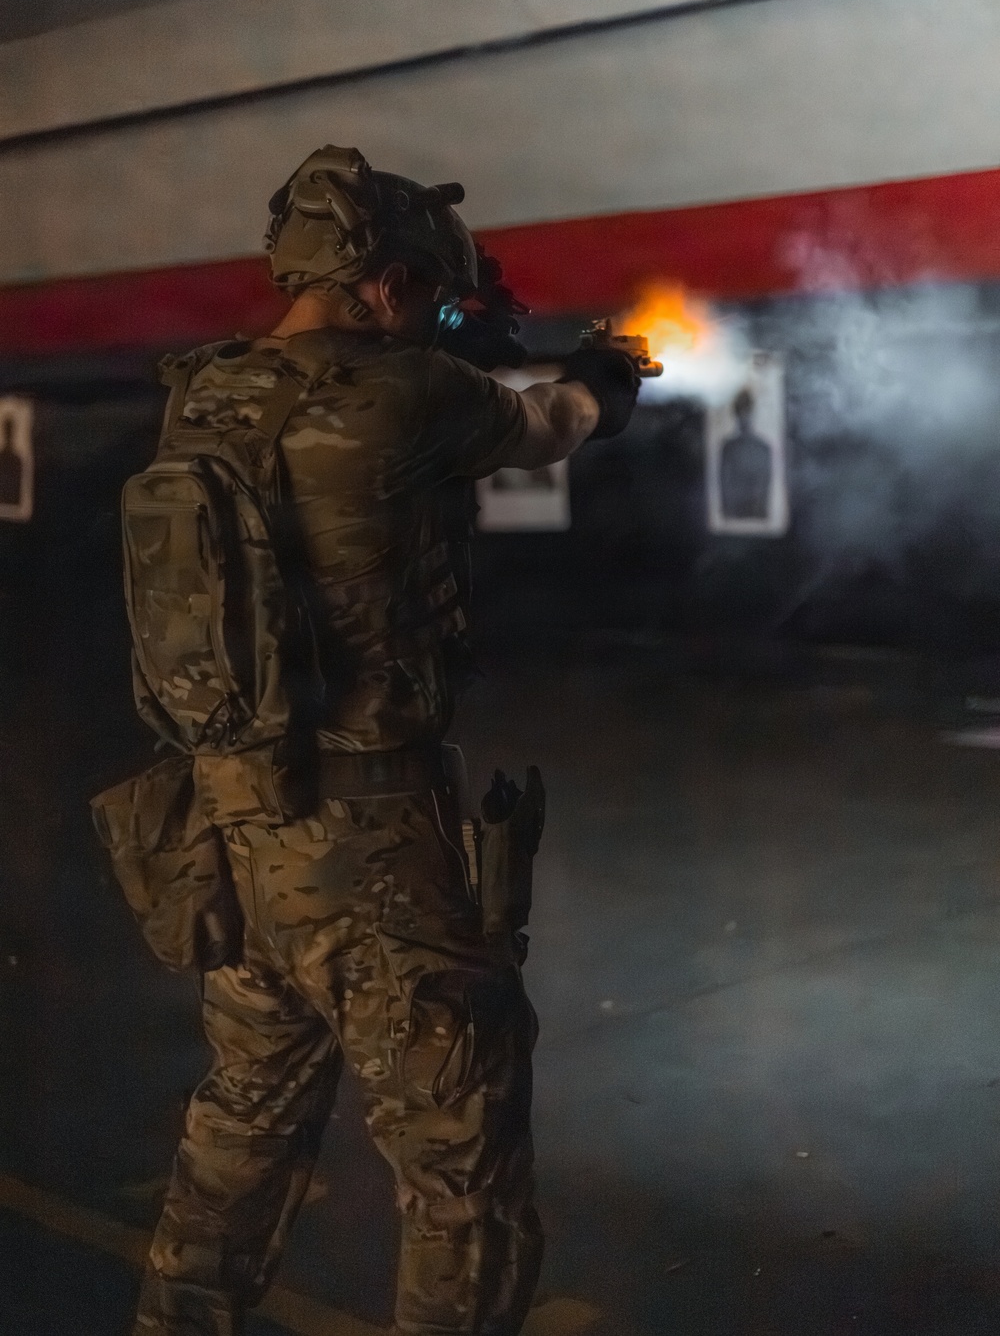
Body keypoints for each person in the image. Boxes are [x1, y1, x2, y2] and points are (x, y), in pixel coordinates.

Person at [131, 145, 639, 1336]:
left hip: (234, 828)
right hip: (372, 849)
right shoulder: (414, 395)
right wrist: (604, 379)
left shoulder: (199, 392)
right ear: (384, 282)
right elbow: (553, 419)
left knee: (241, 1128)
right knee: (462, 1167)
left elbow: (327, 436)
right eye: (424, 289)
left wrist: (452, 335)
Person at [719, 386, 772, 520]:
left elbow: (764, 492)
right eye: (740, 411)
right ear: (736, 414)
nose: (743, 417)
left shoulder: (763, 448)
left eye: (746, 411)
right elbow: (725, 491)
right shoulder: (728, 448)